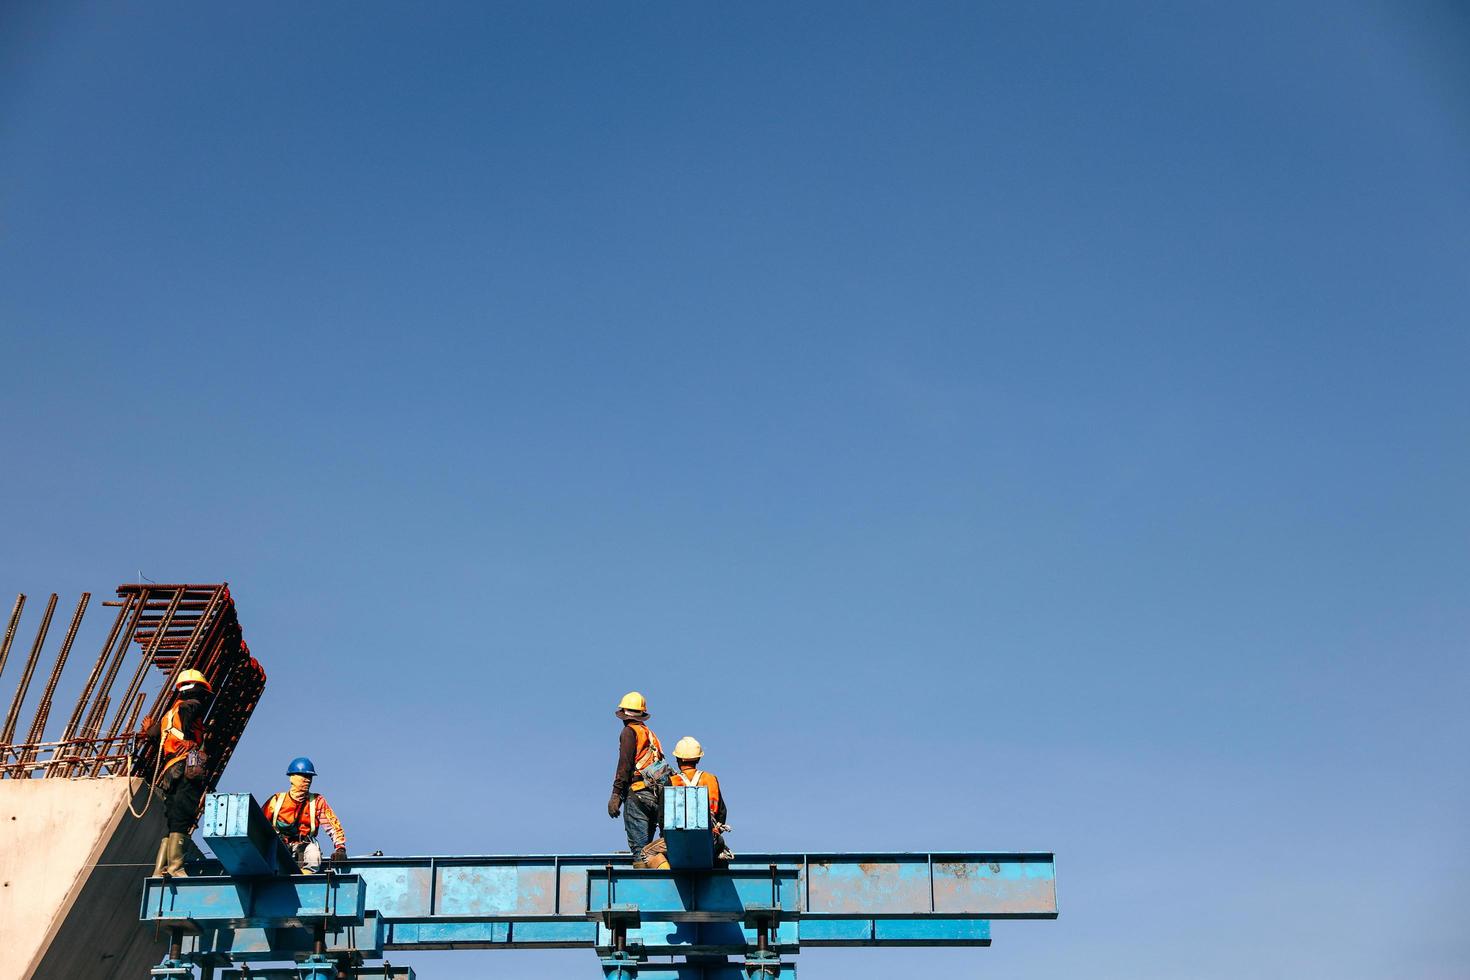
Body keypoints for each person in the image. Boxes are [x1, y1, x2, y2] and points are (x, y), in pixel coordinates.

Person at [143, 669, 213, 878]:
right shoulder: (192, 706)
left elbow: (157, 734)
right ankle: (175, 868)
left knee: (173, 818)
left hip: (169, 771)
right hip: (186, 767)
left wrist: (149, 729)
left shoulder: (169, 715)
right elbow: (189, 727)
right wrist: (192, 741)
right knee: (183, 815)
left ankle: (160, 869)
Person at [607, 691, 669, 867]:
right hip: (657, 795)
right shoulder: (651, 735)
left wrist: (616, 794)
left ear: (624, 713)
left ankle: (650, 884)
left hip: (638, 793)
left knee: (640, 853)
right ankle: (662, 869)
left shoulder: (629, 732)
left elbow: (625, 764)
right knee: (650, 849)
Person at [262, 757, 347, 873]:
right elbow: (259, 826)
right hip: (280, 847)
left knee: (314, 855)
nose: (308, 780)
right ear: (292, 777)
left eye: (310, 777)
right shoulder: (276, 801)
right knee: (272, 857)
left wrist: (340, 848)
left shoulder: (317, 801)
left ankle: (304, 881)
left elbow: (333, 826)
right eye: (304, 776)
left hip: (305, 846)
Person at [669, 736, 733, 862]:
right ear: (698, 759)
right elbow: (722, 812)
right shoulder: (711, 779)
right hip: (711, 838)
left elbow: (663, 816)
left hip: (679, 841)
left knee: (647, 853)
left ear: (678, 759)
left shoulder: (672, 781)